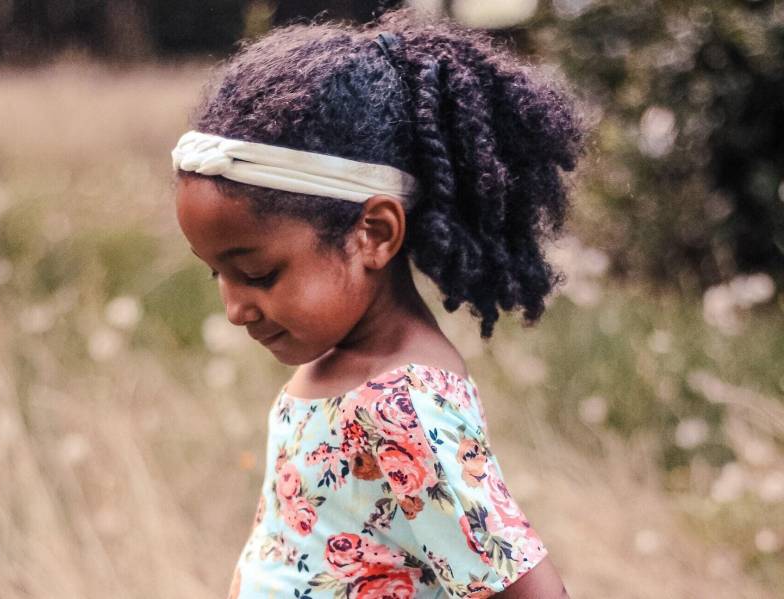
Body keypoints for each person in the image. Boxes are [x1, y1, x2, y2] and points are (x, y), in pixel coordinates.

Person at [172, 6, 585, 598]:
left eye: (257, 273)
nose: (234, 308)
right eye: (217, 273)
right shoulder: (338, 369)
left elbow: (530, 592)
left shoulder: (403, 404)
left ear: (374, 234)